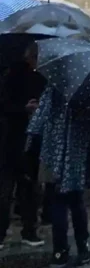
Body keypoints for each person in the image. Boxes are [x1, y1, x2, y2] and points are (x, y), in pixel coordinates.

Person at [28, 85, 90, 266]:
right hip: (77, 156)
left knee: (58, 203)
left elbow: (37, 123)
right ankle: (82, 247)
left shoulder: (54, 89)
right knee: (77, 202)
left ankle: (60, 252)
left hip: (52, 155)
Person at [0, 44, 46, 249]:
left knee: (15, 189)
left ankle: (14, 231)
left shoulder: (13, 76)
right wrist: (25, 109)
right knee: (21, 188)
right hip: (18, 139)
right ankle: (28, 231)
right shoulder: (17, 77)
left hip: (15, 139)